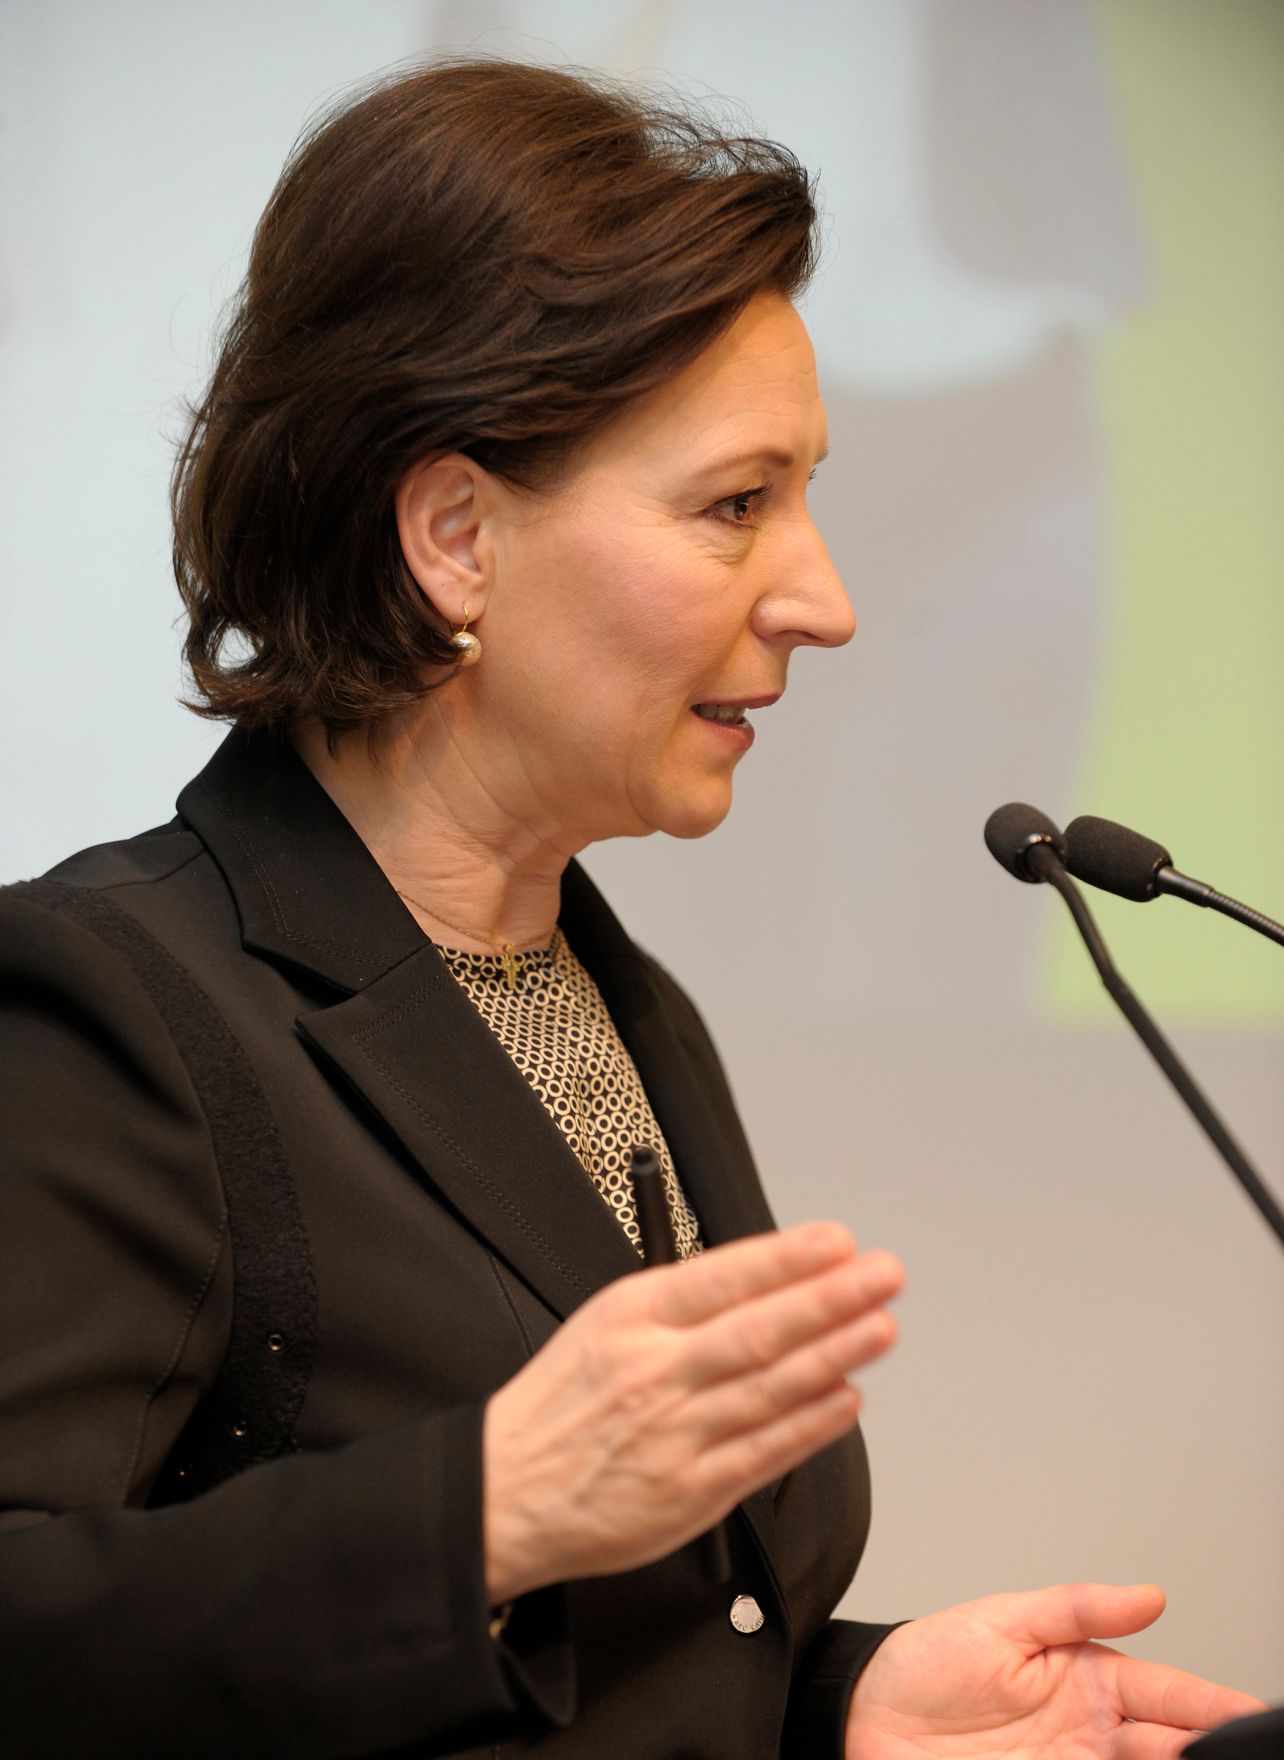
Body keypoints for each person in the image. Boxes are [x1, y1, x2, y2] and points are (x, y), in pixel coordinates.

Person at [0, 57, 1261, 1760]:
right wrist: (484, 1510)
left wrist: (844, 1707)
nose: (826, 600)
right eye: (737, 506)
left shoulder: (618, 996)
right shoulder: (114, 1003)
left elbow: (617, 1661)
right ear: (453, 536)